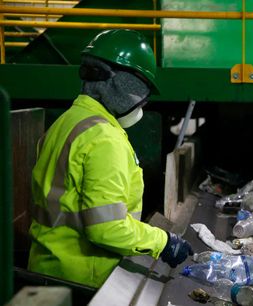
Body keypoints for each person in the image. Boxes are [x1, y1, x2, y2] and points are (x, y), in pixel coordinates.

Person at [28, 29, 193, 288]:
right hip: (82, 278)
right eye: (142, 94)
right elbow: (107, 228)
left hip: (48, 268)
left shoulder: (66, 122)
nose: (142, 105)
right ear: (124, 85)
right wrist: (164, 242)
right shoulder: (104, 139)